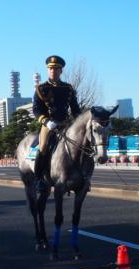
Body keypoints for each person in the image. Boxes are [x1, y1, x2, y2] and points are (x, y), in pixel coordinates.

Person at [32, 55, 81, 190]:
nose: (53, 71)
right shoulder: (41, 89)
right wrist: (46, 121)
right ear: (48, 70)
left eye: (56, 69)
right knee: (43, 147)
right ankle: (38, 179)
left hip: (65, 124)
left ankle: (82, 177)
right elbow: (36, 109)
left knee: (80, 144)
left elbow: (75, 109)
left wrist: (79, 122)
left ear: (61, 71)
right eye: (51, 69)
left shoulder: (68, 88)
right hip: (49, 125)